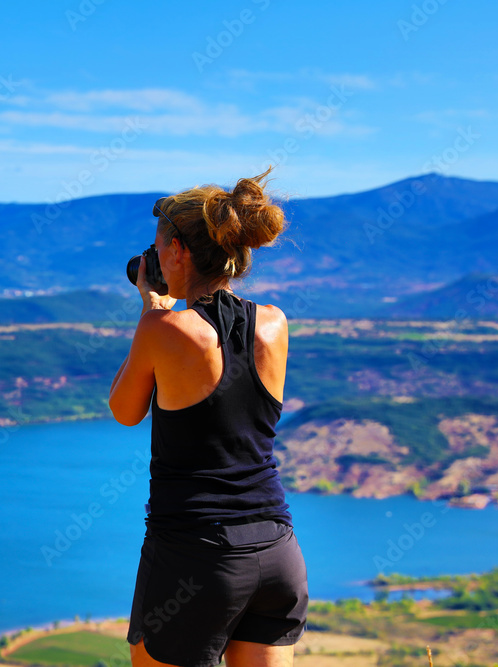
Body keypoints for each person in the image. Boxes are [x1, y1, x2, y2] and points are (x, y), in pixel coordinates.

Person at [109, 166, 308, 667]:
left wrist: (151, 312)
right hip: (277, 551)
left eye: (158, 248)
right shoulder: (274, 323)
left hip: (196, 555)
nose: (154, 258)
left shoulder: (164, 327)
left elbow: (124, 410)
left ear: (177, 251)